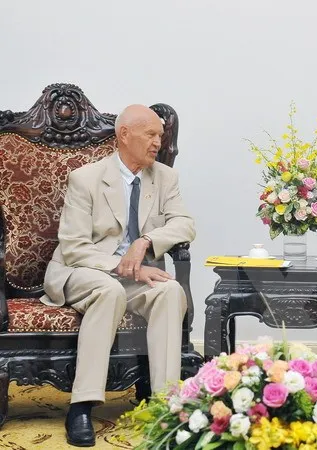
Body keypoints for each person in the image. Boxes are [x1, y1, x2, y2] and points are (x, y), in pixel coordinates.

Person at [40, 104, 196, 447]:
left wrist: (145, 241)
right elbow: (74, 248)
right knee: (109, 290)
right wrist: (122, 265)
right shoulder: (86, 178)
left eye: (161, 135)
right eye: (150, 134)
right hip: (82, 270)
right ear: (124, 135)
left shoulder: (165, 177)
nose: (158, 142)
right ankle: (81, 406)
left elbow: (185, 224)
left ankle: (165, 406)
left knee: (171, 292)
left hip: (134, 276)